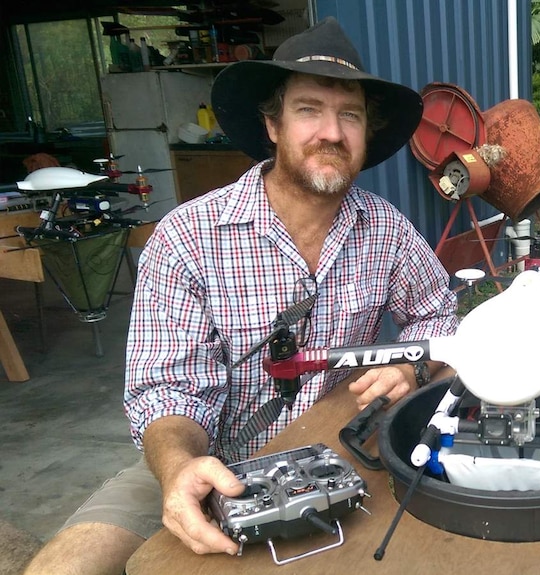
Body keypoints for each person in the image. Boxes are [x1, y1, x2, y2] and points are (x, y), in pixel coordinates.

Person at [24, 17, 458, 575]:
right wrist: (179, 467)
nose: (331, 131)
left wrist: (411, 367)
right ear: (272, 124)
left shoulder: (386, 229)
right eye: (308, 109)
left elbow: (440, 319)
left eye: (349, 114)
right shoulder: (187, 237)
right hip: (209, 458)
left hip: (336, 451)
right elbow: (166, 392)